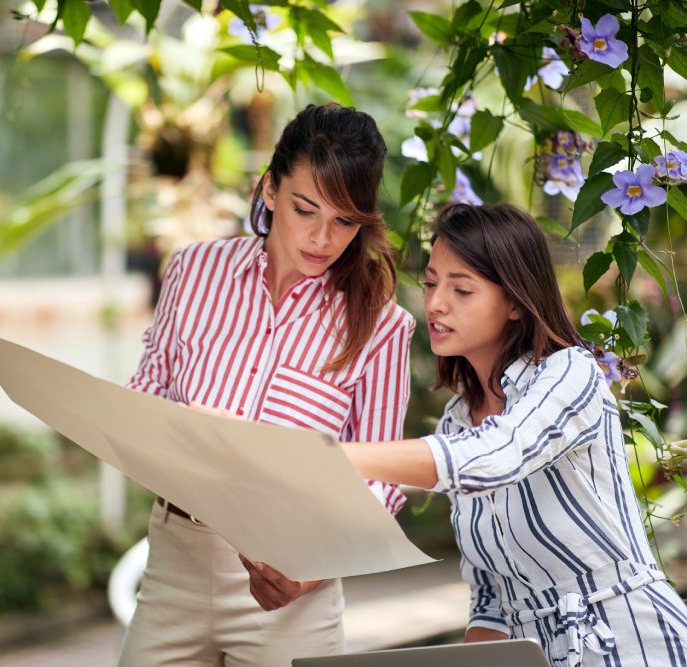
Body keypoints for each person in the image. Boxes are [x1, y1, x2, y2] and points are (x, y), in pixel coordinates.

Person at [118, 103, 415, 666]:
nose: (323, 239)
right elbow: (147, 393)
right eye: (306, 209)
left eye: (345, 221)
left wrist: (309, 570)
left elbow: (383, 478)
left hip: (293, 587)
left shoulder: (380, 323)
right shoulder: (192, 272)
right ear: (270, 189)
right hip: (173, 566)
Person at [342, 202, 687, 666]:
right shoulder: (458, 420)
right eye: (430, 283)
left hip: (628, 641)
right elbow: (490, 597)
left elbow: (498, 456)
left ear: (515, 303)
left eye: (461, 289)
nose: (436, 302)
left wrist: (335, 455)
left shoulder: (571, 373)